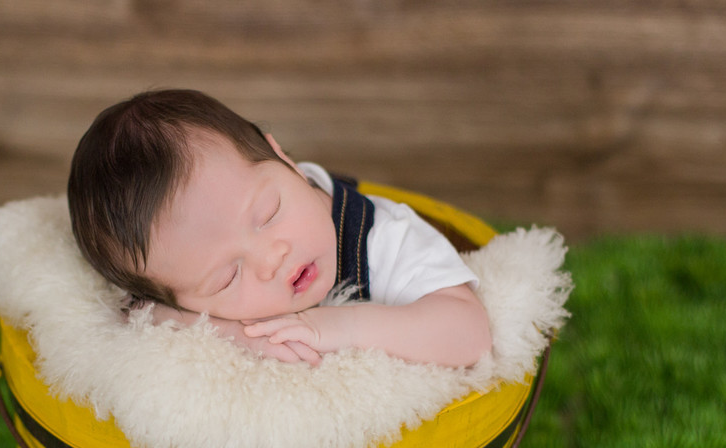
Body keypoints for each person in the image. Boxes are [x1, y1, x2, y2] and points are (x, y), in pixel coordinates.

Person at [67, 89, 492, 367]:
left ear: (282, 158)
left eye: (268, 214)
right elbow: (142, 311)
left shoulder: (386, 238)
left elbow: (469, 332)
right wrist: (236, 334)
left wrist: (341, 328)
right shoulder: (178, 266)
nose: (272, 258)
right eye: (227, 276)